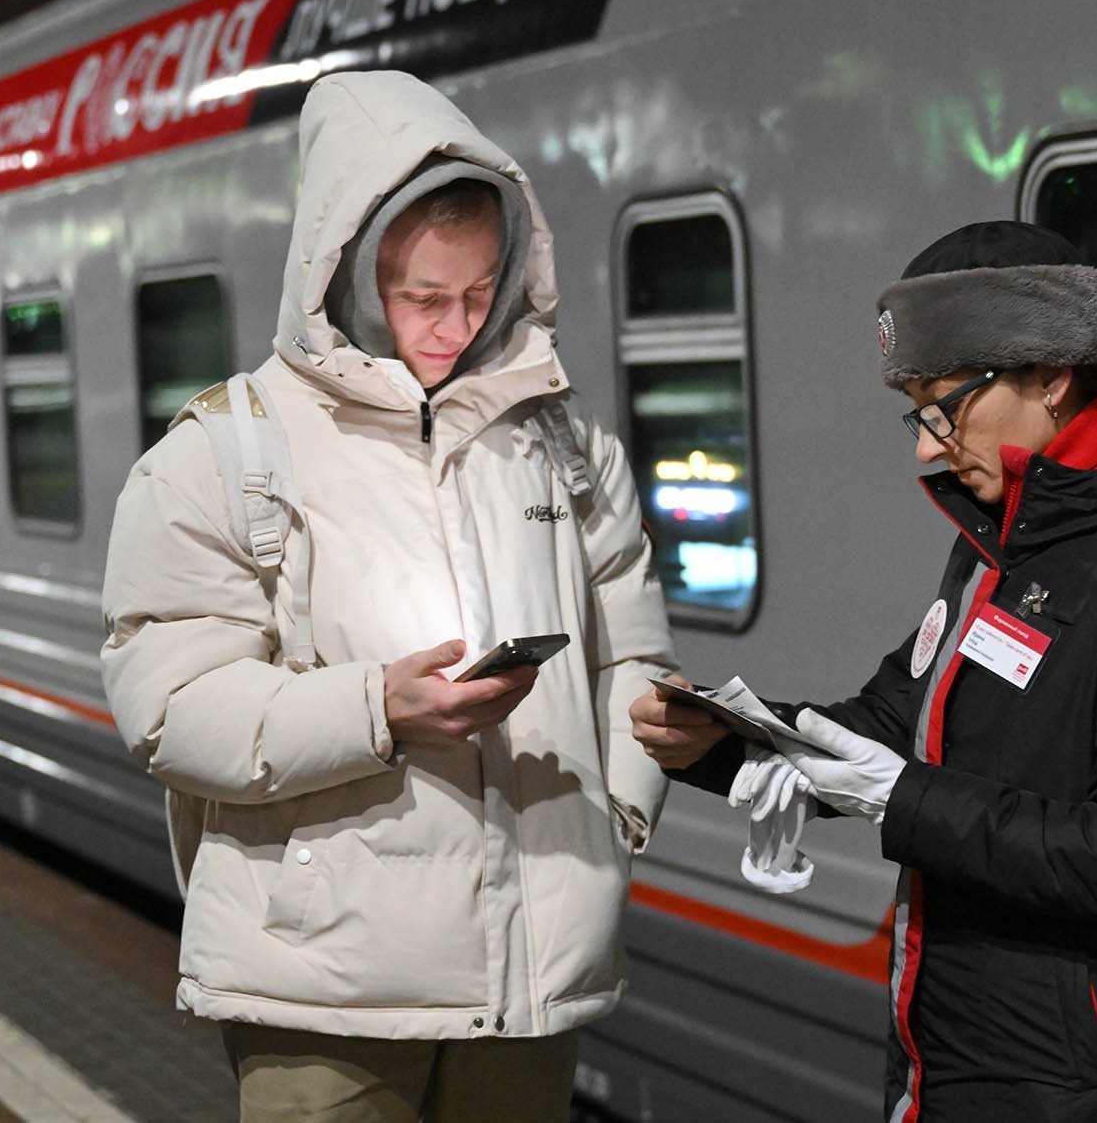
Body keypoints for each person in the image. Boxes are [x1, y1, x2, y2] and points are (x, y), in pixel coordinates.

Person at [101, 71, 675, 1122]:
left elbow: (628, 648)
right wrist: (377, 710)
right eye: (422, 298)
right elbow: (171, 710)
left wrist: (620, 803)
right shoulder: (224, 455)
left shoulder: (561, 440)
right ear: (352, 274)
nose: (455, 325)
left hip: (528, 978)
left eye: (479, 291)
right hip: (322, 994)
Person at [632, 222, 1097, 1121]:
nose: (928, 448)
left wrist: (900, 800)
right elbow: (902, 716)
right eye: (917, 411)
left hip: (1081, 1091)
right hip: (955, 1055)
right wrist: (731, 745)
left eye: (948, 405)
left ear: (1051, 375)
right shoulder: (1008, 537)